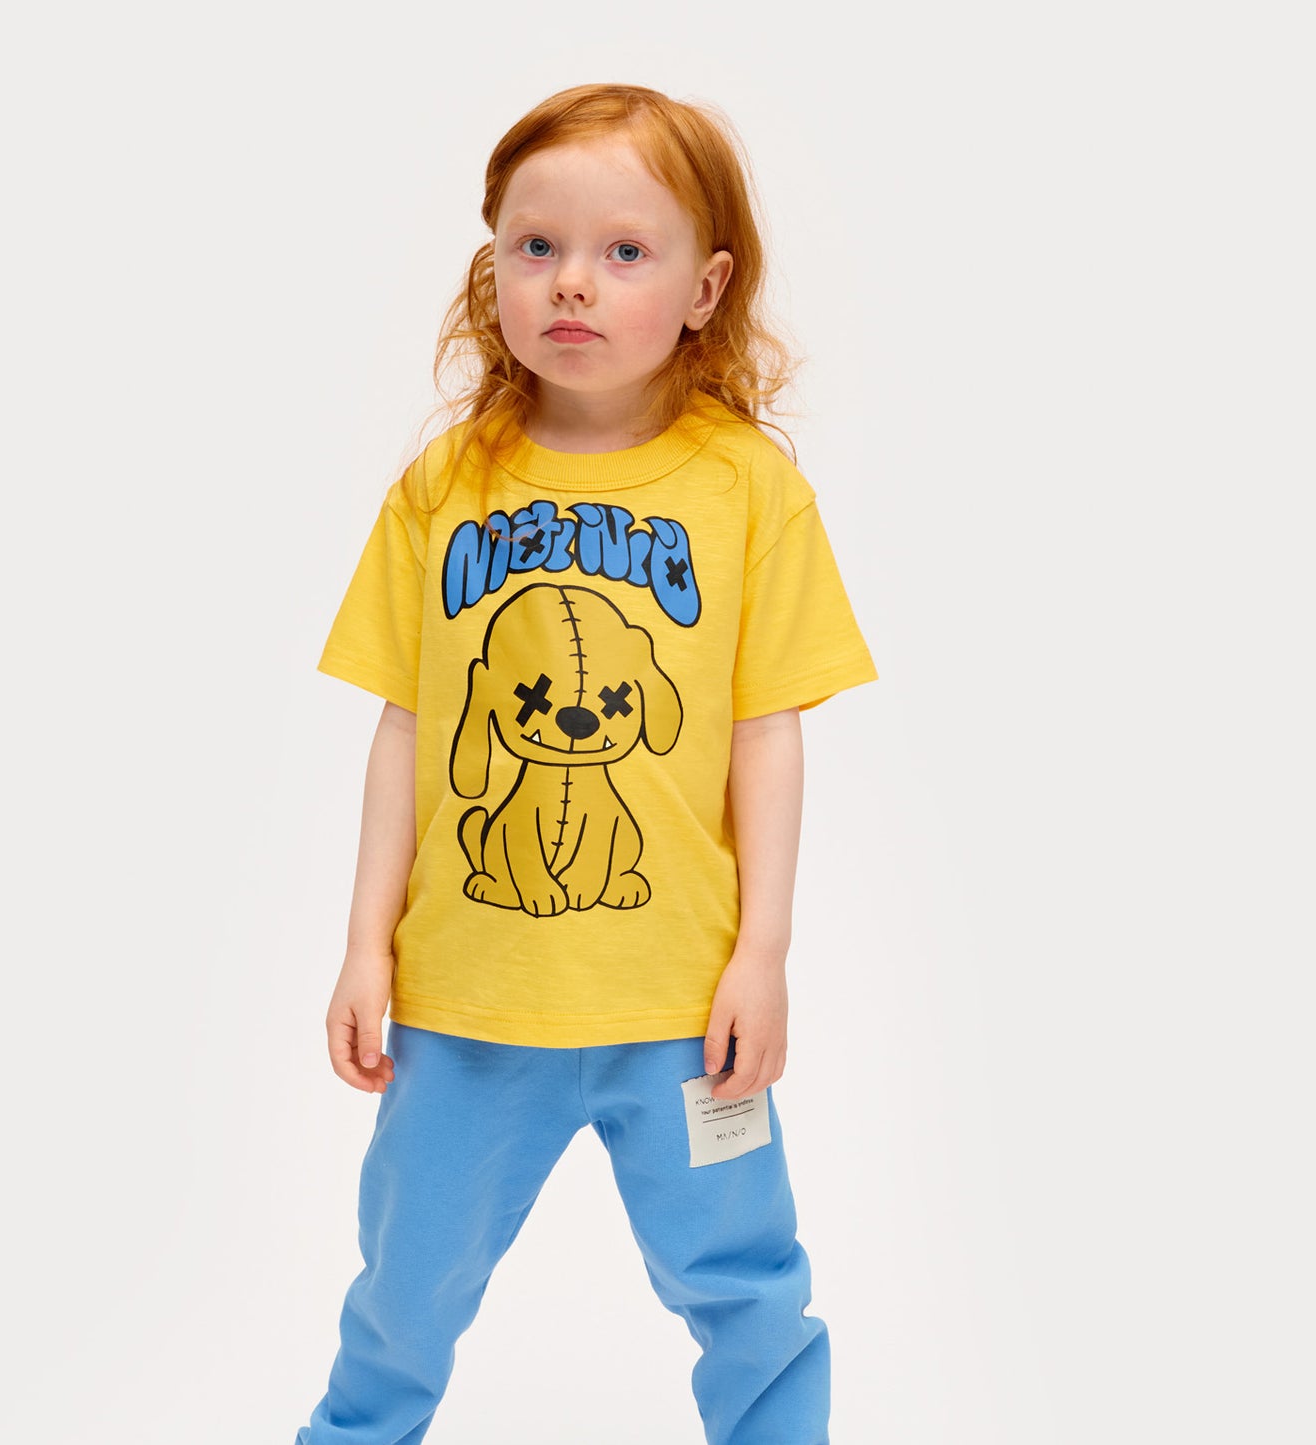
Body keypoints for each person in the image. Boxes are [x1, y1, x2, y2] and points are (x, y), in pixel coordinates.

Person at [296, 82, 879, 1445]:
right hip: (464, 1002)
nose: (572, 280)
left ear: (704, 287)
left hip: (679, 1006)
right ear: (491, 265)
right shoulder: (445, 487)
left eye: (624, 250)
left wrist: (763, 952)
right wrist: (365, 945)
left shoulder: (747, 489)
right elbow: (407, 727)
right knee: (403, 1290)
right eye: (535, 245)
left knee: (746, 1284)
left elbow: (767, 730)